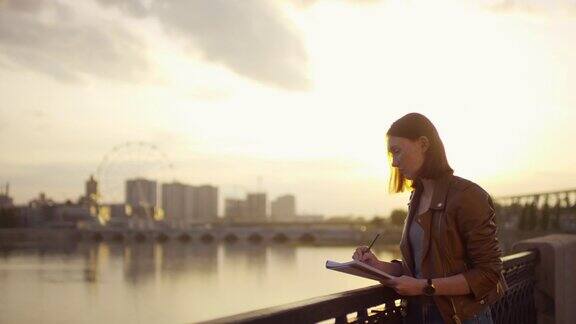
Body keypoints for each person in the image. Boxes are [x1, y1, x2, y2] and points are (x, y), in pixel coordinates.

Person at [352, 113, 507, 324]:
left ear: (423, 144)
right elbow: (416, 271)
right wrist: (378, 266)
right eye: (391, 155)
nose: (395, 163)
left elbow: (489, 274)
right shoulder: (416, 197)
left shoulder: (467, 195)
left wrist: (426, 287)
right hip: (418, 317)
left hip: (461, 319)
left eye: (397, 152)